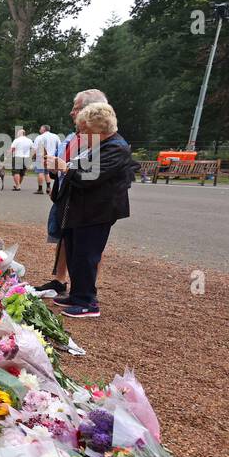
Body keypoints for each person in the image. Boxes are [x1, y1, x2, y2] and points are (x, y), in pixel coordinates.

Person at [48, 101, 136, 318]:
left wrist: (64, 167)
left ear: (99, 128)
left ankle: (88, 302)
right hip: (83, 210)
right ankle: (78, 295)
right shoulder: (100, 146)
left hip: (97, 212)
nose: (81, 134)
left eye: (84, 130)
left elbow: (90, 176)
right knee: (77, 254)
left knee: (87, 255)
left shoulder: (116, 148)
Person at [35, 90, 107, 294]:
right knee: (64, 237)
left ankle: (84, 289)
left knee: (89, 246)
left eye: (75, 108)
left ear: (90, 110)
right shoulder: (72, 136)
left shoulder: (100, 140)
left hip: (85, 200)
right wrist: (55, 175)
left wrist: (63, 167)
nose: (71, 112)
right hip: (65, 195)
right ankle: (60, 280)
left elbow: (92, 172)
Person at [33, 124, 60, 195]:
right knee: (47, 172)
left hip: (41, 157)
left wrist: (33, 156)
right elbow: (59, 147)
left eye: (40, 129)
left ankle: (40, 188)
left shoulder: (40, 137)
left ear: (44, 129)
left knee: (40, 172)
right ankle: (48, 187)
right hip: (51, 157)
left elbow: (35, 148)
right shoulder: (55, 136)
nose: (39, 130)